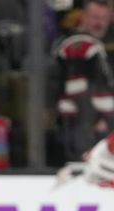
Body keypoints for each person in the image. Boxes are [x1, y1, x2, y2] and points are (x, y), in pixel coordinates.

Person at [50, 0, 114, 162]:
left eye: (104, 18)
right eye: (94, 17)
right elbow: (77, 89)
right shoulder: (79, 44)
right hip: (82, 126)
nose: (99, 23)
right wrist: (97, 121)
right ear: (83, 16)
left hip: (95, 125)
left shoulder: (98, 44)